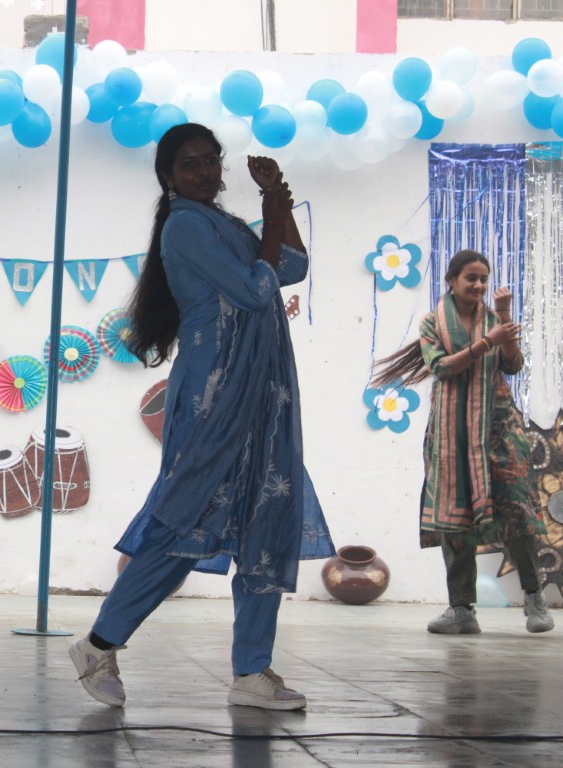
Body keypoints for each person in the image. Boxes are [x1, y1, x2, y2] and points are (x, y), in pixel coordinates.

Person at [69, 123, 333, 712]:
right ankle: (98, 644)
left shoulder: (227, 224)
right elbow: (253, 289)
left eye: (212, 161)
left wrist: (277, 203)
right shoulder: (186, 226)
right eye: (191, 164)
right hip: (215, 393)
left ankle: (252, 671)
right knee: (183, 527)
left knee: (267, 518)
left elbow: (290, 266)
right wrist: (270, 216)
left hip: (262, 392)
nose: (206, 172)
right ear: (167, 175)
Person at [373, 249, 553, 635]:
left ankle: (534, 598)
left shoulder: (495, 319)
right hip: (451, 435)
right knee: (453, 520)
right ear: (451, 280)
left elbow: (513, 365)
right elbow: (440, 367)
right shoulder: (432, 322)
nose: (479, 285)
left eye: (484, 278)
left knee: (517, 510)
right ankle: (461, 609)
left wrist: (503, 319)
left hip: (499, 431)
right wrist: (487, 342)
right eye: (471, 277)